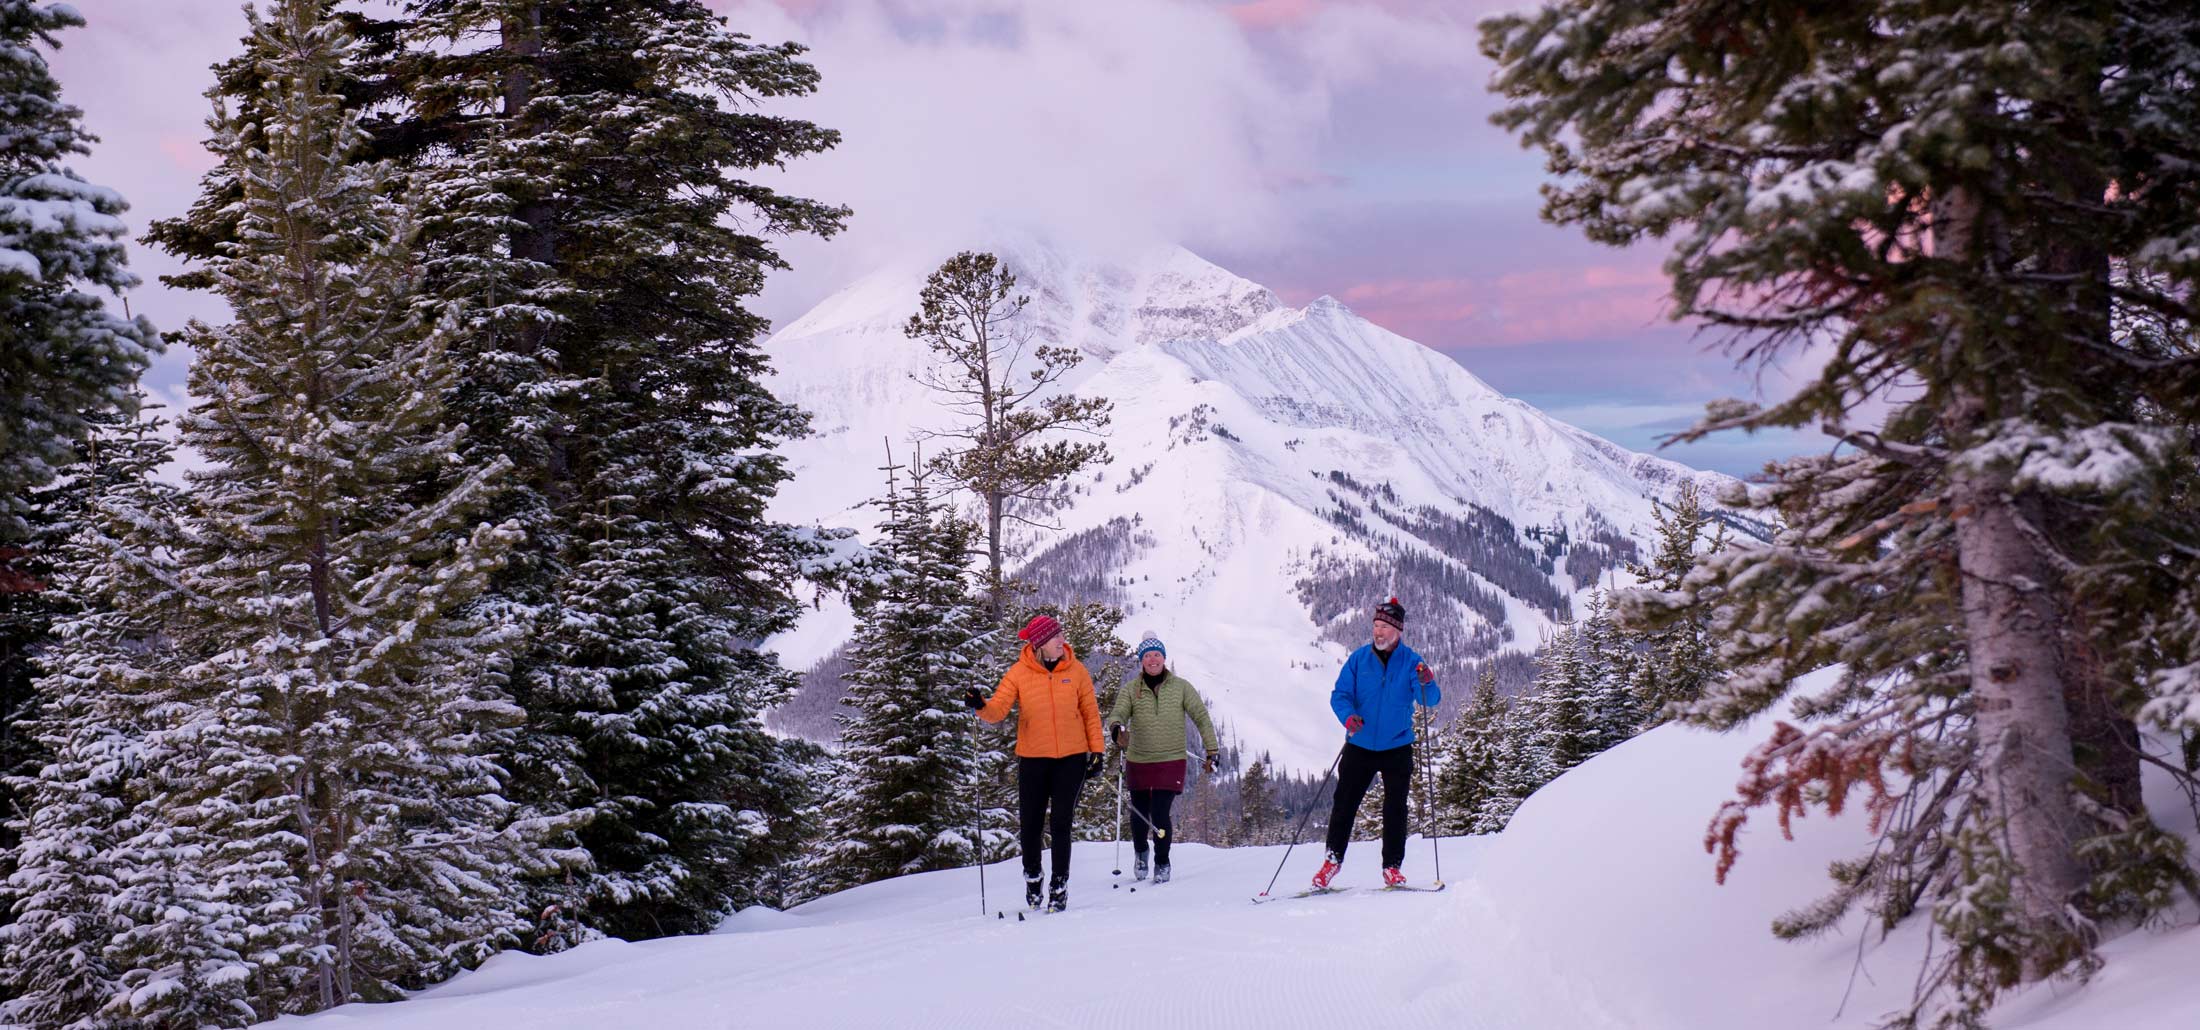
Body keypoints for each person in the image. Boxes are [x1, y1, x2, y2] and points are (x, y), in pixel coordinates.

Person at [965, 613, 1104, 913]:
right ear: (1040, 643)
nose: (1062, 641)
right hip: (1033, 759)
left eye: (1062, 636)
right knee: (1030, 823)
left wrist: (1097, 751)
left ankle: (1059, 885)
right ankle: (1033, 876)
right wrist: (980, 705)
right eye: (1056, 638)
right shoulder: (1019, 673)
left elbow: (1091, 714)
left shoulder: (1076, 671)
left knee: (1061, 823)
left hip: (1071, 758)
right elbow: (998, 710)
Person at [1313, 596, 1440, 890]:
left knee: (1395, 808)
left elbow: (1430, 700)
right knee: (1344, 804)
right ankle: (1332, 862)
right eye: (1376, 626)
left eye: (1384, 626)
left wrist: (1427, 681)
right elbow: (1339, 695)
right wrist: (1348, 717)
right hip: (1360, 743)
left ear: (1397, 630)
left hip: (1397, 746)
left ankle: (1392, 868)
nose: (1378, 632)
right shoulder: (1359, 659)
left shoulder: (1412, 663)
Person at [1104, 630, 1220, 884]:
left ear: (1164, 658)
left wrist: (1212, 750)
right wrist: (1117, 730)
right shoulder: (1131, 689)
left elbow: (1201, 716)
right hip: (1139, 759)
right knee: (1138, 814)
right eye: (1148, 655)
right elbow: (1118, 714)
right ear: (1141, 660)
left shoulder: (1181, 687)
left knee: (1160, 813)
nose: (1153, 659)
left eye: (1157, 654)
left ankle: (1163, 861)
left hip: (1171, 760)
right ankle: (1141, 852)